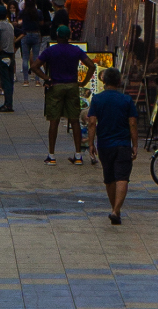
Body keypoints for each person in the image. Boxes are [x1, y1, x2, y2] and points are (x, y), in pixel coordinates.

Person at [86, 68, 139, 224]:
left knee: (109, 178)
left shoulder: (97, 99)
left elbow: (92, 122)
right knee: (122, 177)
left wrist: (90, 143)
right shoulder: (126, 100)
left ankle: (115, 210)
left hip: (104, 144)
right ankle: (116, 210)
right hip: (123, 144)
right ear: (119, 82)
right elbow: (133, 123)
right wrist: (135, 144)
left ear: (104, 81)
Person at [34, 23, 92, 162]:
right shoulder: (76, 50)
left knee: (54, 121)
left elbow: (35, 66)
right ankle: (78, 155)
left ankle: (52, 155)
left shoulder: (51, 50)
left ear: (57, 36)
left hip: (56, 86)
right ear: (69, 36)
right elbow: (91, 65)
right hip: (72, 86)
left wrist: (46, 78)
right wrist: (83, 82)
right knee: (74, 120)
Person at [0, 2, 18, 111]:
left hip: (2, 54)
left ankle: (7, 104)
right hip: (11, 54)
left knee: (5, 80)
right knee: (10, 80)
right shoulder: (10, 25)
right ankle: (9, 103)